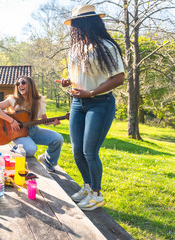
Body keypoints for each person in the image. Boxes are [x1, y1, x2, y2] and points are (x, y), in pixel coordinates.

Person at [58, 5, 125, 211]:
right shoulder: (76, 48)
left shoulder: (106, 46)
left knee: (90, 151)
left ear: (88, 23)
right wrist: (69, 81)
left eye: (77, 24)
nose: (74, 28)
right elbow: (81, 74)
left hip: (100, 103)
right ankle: (87, 187)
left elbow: (119, 77)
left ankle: (97, 194)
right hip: (78, 103)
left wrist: (92, 93)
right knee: (77, 151)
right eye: (73, 24)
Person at [0, 75, 64, 172]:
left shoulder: (40, 100)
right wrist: (11, 121)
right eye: (18, 84)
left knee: (58, 139)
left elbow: (44, 120)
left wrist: (52, 122)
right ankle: (16, 146)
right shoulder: (13, 99)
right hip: (18, 133)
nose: (20, 85)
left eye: (23, 82)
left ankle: (47, 160)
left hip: (34, 130)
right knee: (31, 150)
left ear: (31, 85)